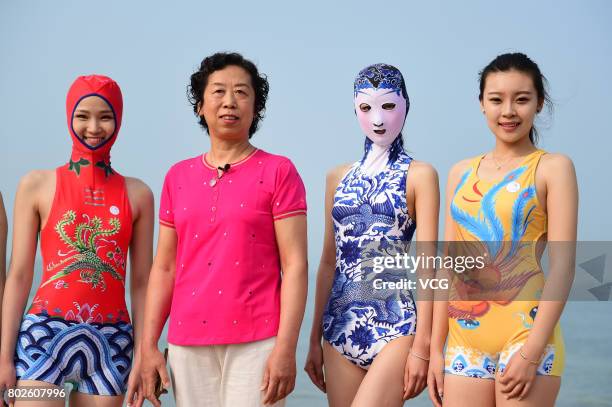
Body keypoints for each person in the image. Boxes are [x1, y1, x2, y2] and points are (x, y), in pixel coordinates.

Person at [140, 52, 308, 407]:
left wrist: (286, 348)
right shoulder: (177, 176)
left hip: (259, 340)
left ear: (256, 107)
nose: (229, 101)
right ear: (200, 106)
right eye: (218, 91)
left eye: (242, 92)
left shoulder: (279, 171)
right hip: (187, 343)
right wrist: (148, 345)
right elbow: (165, 267)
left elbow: (295, 265)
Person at [428, 53, 578, 407]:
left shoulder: (553, 168)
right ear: (481, 104)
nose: (508, 111)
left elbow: (564, 267)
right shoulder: (460, 173)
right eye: (496, 99)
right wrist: (435, 350)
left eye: (521, 99)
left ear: (539, 103)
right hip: (464, 345)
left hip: (527, 337)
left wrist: (531, 353)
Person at [0, 75, 153, 407]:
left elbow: (142, 283)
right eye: (83, 116)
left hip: (113, 344)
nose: (94, 126)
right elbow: (20, 275)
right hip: (42, 338)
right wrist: (3, 358)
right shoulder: (36, 185)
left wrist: (144, 352)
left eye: (105, 116)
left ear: (119, 120)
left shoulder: (139, 194)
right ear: (69, 117)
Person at [305, 64, 439, 406]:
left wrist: (423, 347)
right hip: (337, 330)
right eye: (366, 108)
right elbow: (327, 262)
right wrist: (312, 341)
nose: (377, 118)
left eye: (388, 106)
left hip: (395, 329)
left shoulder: (420, 175)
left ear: (406, 105)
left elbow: (428, 265)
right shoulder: (337, 177)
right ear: (355, 110)